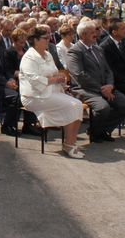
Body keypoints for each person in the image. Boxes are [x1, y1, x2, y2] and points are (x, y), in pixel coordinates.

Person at [20, 26, 85, 158]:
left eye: (49, 37)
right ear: (36, 40)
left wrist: (61, 80)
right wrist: (54, 79)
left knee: (77, 104)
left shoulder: (48, 54)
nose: (49, 40)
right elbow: (34, 79)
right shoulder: (29, 57)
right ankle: (69, 144)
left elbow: (55, 73)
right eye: (46, 38)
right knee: (74, 105)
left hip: (51, 92)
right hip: (34, 96)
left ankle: (69, 143)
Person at [67, 19, 125, 143]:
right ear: (83, 35)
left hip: (104, 88)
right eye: (92, 32)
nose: (96, 34)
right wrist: (101, 89)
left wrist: (109, 85)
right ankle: (96, 132)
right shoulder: (75, 51)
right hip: (84, 89)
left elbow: (108, 70)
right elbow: (80, 75)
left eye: (96, 31)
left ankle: (100, 130)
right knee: (103, 107)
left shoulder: (97, 49)